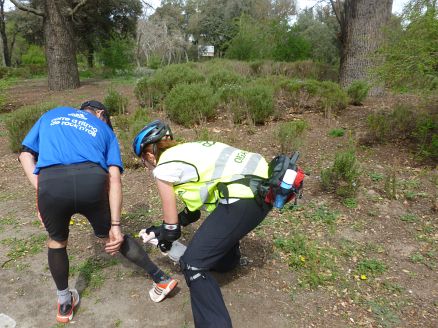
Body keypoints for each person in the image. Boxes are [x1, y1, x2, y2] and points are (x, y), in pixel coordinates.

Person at [19, 101, 177, 324]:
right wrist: (115, 225)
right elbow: (114, 178)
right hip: (91, 181)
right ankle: (160, 278)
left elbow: (25, 155)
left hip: (51, 182)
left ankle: (64, 302)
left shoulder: (51, 115)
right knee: (113, 237)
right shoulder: (105, 130)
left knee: (56, 242)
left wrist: (42, 190)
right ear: (101, 114)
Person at [132, 120, 273, 328]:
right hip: (265, 189)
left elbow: (171, 229)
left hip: (243, 198)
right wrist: (163, 229)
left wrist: (163, 235)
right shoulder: (188, 151)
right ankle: (227, 261)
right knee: (216, 253)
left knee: (192, 263)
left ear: (150, 155)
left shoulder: (163, 168)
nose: (147, 166)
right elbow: (192, 212)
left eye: (144, 161)